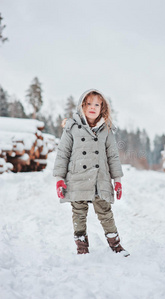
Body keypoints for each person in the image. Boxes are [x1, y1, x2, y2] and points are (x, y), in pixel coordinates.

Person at [53, 89, 129, 256]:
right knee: (78, 214)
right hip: (77, 178)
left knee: (106, 213)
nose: (92, 107)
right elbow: (62, 153)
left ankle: (116, 246)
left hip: (99, 180)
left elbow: (113, 156)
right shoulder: (72, 127)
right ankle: (82, 248)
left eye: (97, 104)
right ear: (82, 105)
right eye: (89, 104)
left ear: (102, 107)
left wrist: (117, 180)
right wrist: (59, 178)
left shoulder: (106, 129)